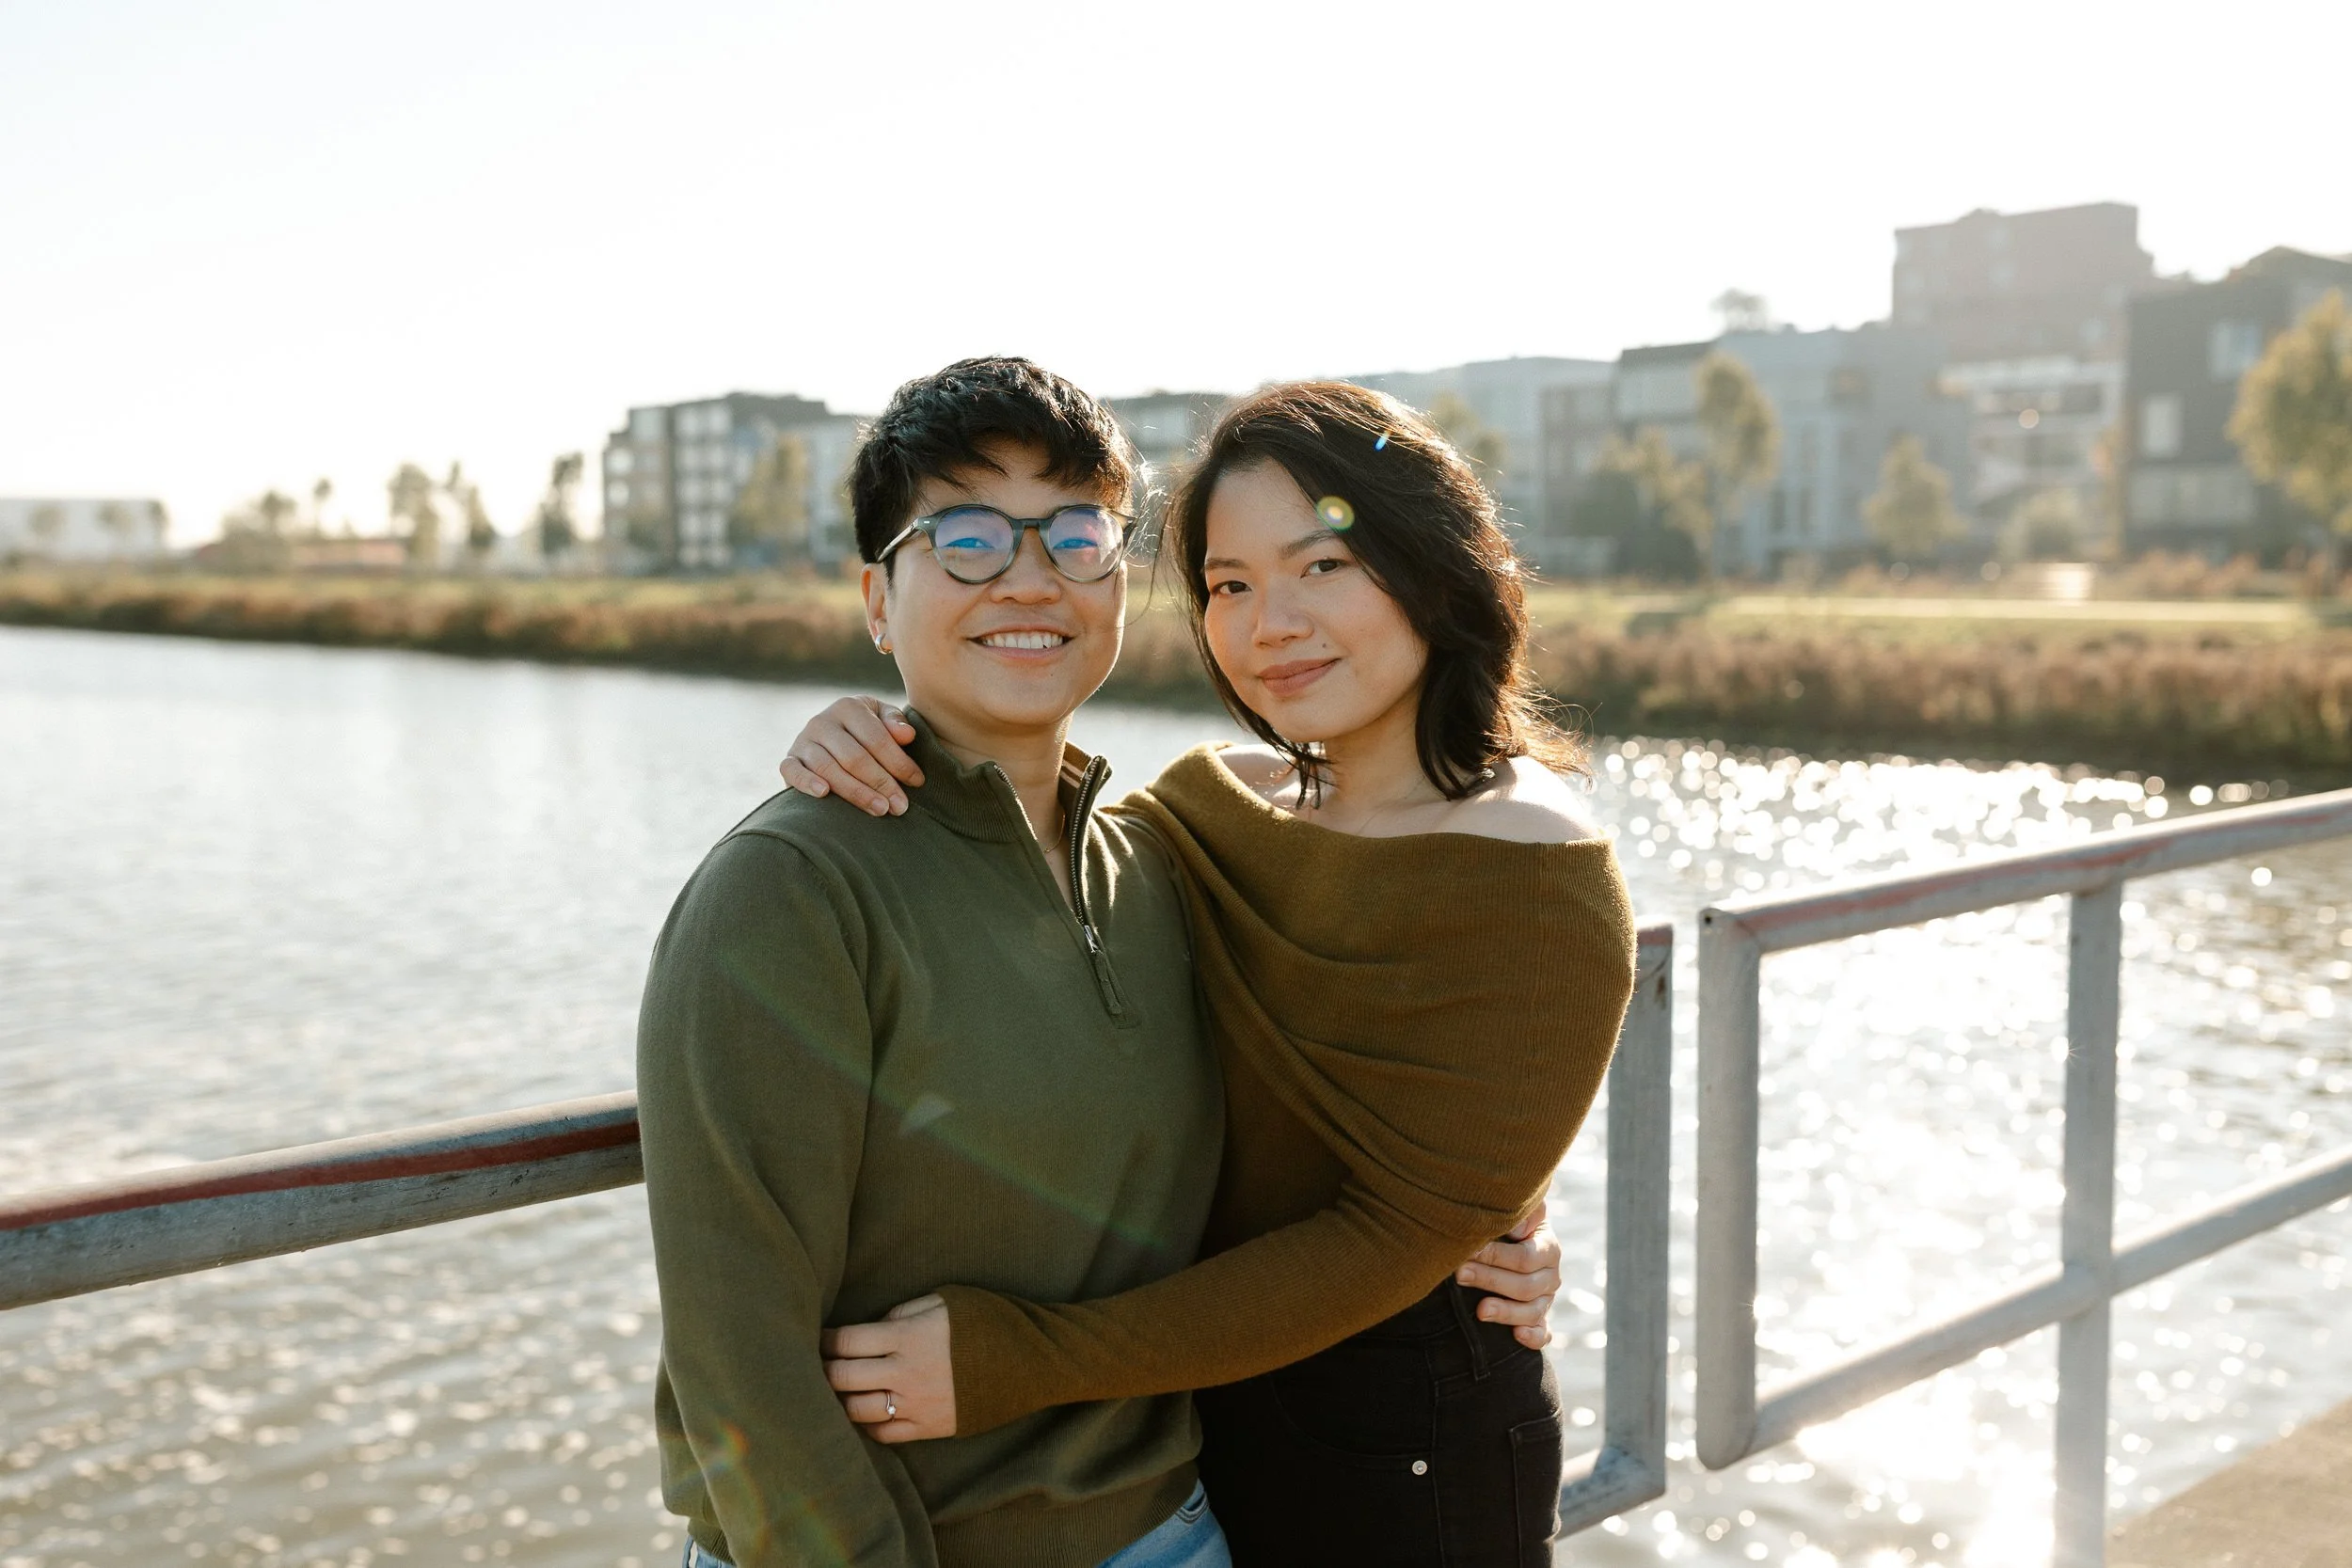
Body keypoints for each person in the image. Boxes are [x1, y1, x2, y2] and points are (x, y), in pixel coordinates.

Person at [640, 359, 1558, 1568]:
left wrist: (1483, 1216)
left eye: (1075, 534)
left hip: (1178, 1532)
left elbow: (1341, 1096)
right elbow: (738, 1362)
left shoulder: (1164, 859)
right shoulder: (790, 891)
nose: (1029, 576)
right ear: (877, 600)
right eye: (965, 535)